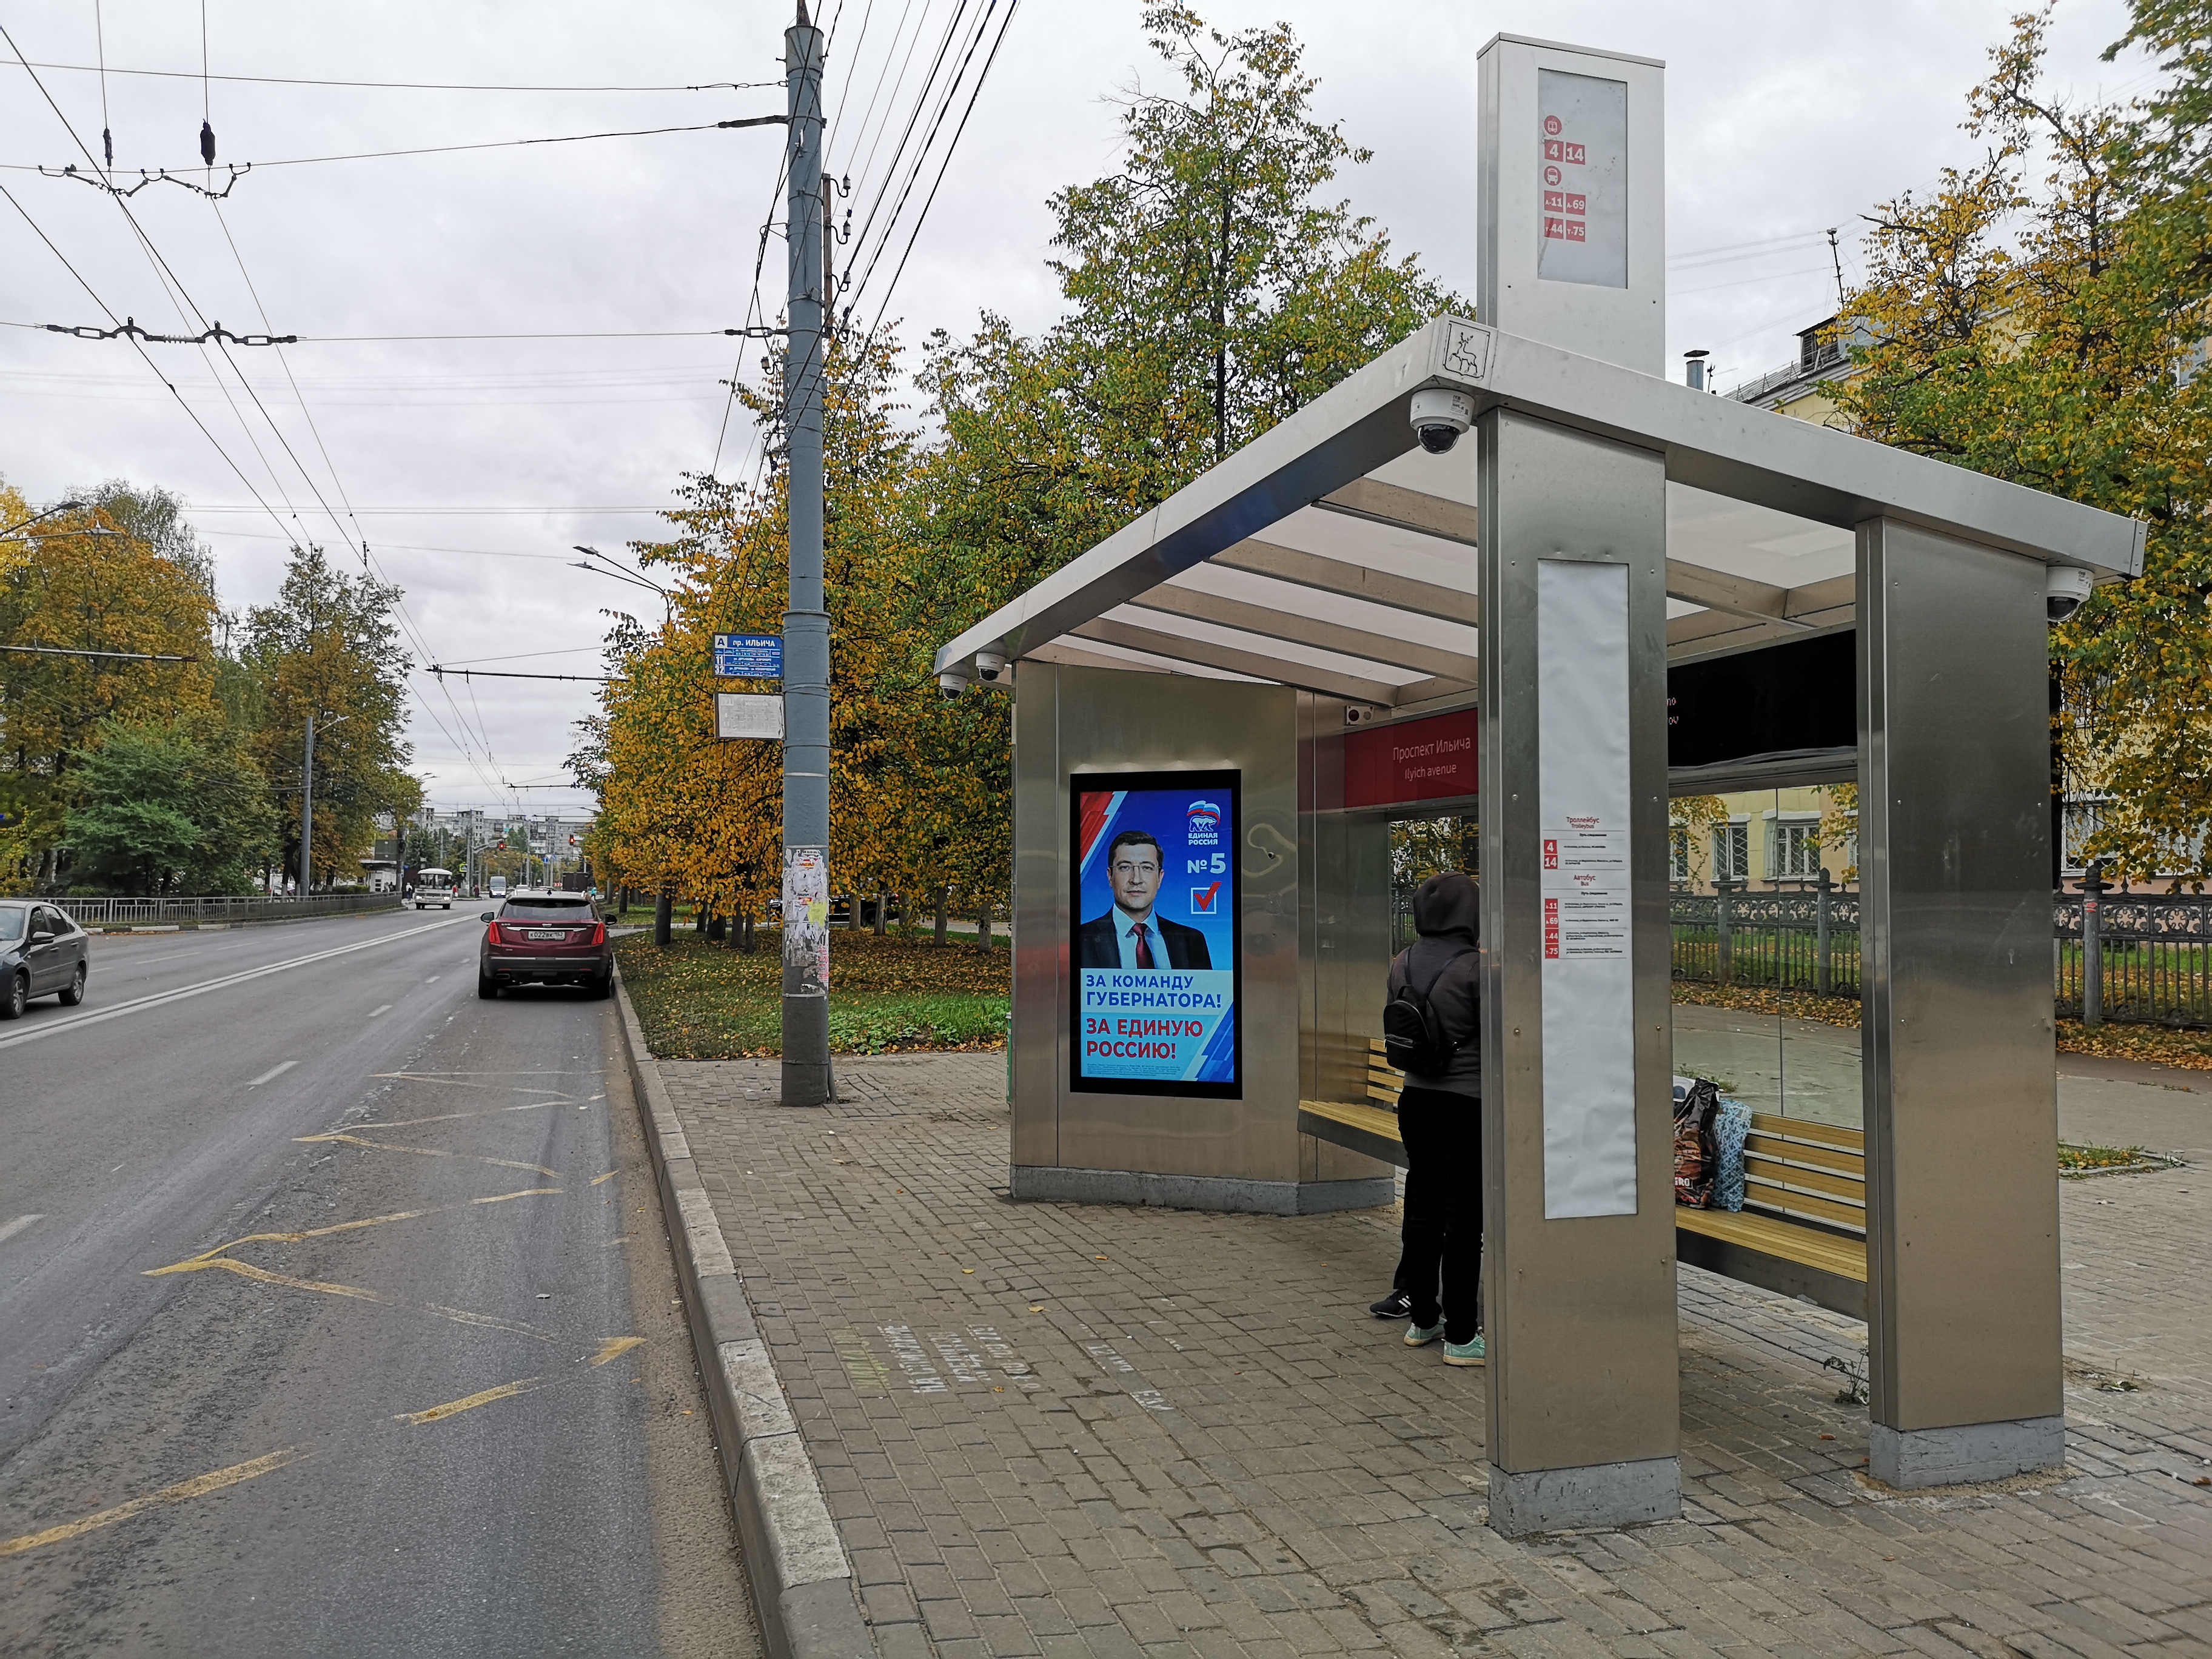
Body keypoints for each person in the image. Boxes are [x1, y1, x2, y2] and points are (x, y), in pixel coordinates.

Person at [1380, 871, 1484, 1366]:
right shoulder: (1477, 969)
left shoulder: (1402, 961)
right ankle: (1462, 1337)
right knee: (1463, 1219)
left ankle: (1424, 1319)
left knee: (1422, 1206)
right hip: (1467, 1105)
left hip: (1415, 1101)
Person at [1076, 829, 1212, 970]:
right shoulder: (1081, 938)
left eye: (1147, 868)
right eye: (1125, 867)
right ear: (1110, 877)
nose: (1136, 880)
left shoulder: (1192, 941)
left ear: (1160, 878)